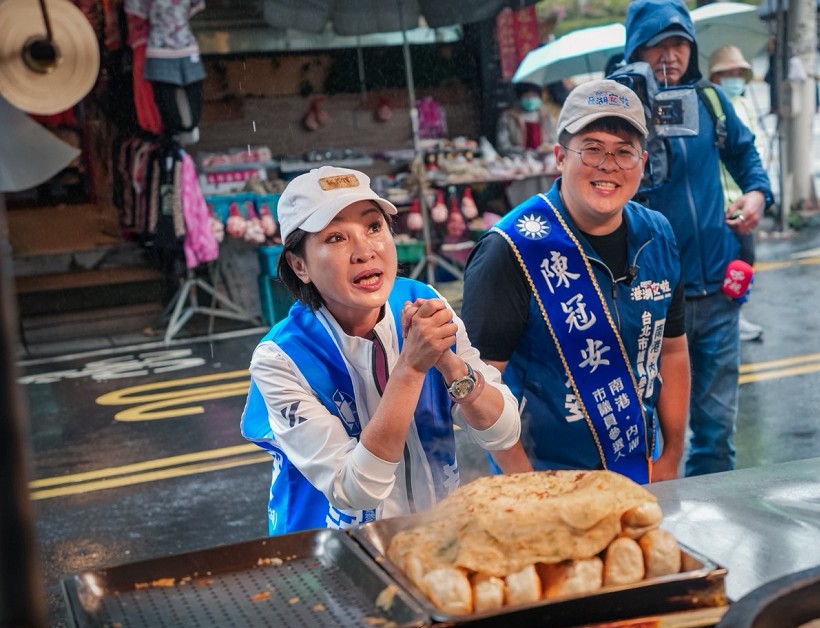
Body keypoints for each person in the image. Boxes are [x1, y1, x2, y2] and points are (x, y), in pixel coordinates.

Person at [240, 166, 523, 534]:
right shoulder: (281, 358)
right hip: (328, 554)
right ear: (299, 265)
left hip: (433, 535)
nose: (364, 251)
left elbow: (502, 431)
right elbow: (355, 489)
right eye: (336, 237)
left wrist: (450, 365)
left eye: (374, 227)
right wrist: (410, 369)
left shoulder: (423, 301)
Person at [462, 79, 690, 483]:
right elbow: (479, 390)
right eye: (592, 149)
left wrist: (671, 456)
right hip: (543, 482)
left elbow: (671, 353)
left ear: (642, 162)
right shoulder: (510, 250)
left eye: (624, 152)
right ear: (559, 157)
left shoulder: (658, 236)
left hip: (640, 473)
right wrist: (528, 486)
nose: (608, 165)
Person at [621, 0, 774, 476]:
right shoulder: (618, 109)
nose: (670, 55)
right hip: (650, 303)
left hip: (716, 295)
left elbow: (746, 155)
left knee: (715, 436)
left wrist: (756, 196)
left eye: (679, 43)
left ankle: (715, 537)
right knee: (644, 436)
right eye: (657, 45)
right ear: (635, 49)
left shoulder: (709, 100)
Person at [708, 44, 767, 343]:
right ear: (714, 77)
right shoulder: (711, 107)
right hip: (722, 202)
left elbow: (751, 151)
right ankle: (731, 316)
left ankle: (737, 310)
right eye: (727, 73)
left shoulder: (742, 104)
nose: (734, 78)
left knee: (746, 258)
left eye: (737, 72)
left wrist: (760, 187)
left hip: (746, 199)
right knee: (726, 261)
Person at [495, 82, 559, 157]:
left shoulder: (547, 116)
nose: (530, 99)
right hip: (517, 160)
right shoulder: (508, 117)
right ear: (520, 97)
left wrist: (545, 149)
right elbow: (503, 147)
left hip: (544, 159)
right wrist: (523, 152)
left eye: (533, 95)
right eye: (527, 96)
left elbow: (554, 141)